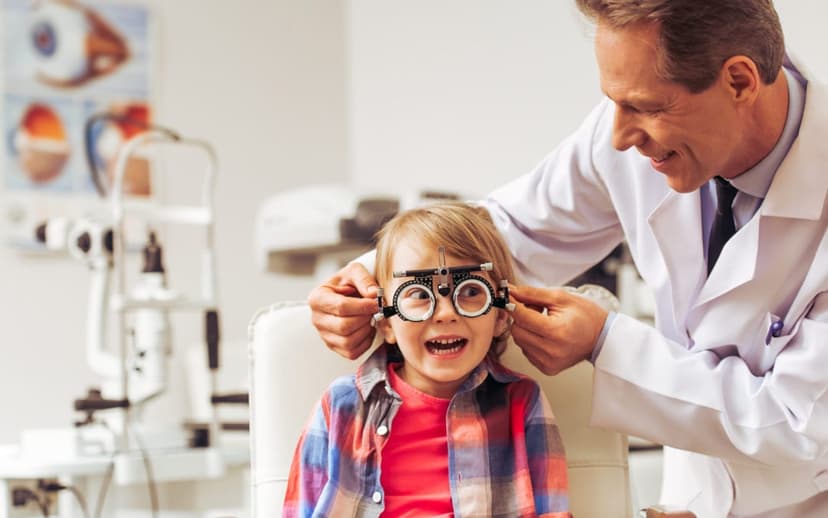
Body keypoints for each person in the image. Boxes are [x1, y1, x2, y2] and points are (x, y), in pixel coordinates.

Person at [307, 1, 828, 516]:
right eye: (613, 103)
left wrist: (607, 343)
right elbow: (507, 233)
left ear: (738, 81)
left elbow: (798, 423)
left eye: (645, 107)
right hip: (691, 500)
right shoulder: (627, 135)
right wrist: (371, 275)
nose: (620, 137)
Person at [284, 202, 571, 517]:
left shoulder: (522, 401)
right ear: (385, 322)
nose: (446, 313)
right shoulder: (341, 405)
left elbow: (553, 512)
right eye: (420, 295)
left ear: (501, 315)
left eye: (470, 291)